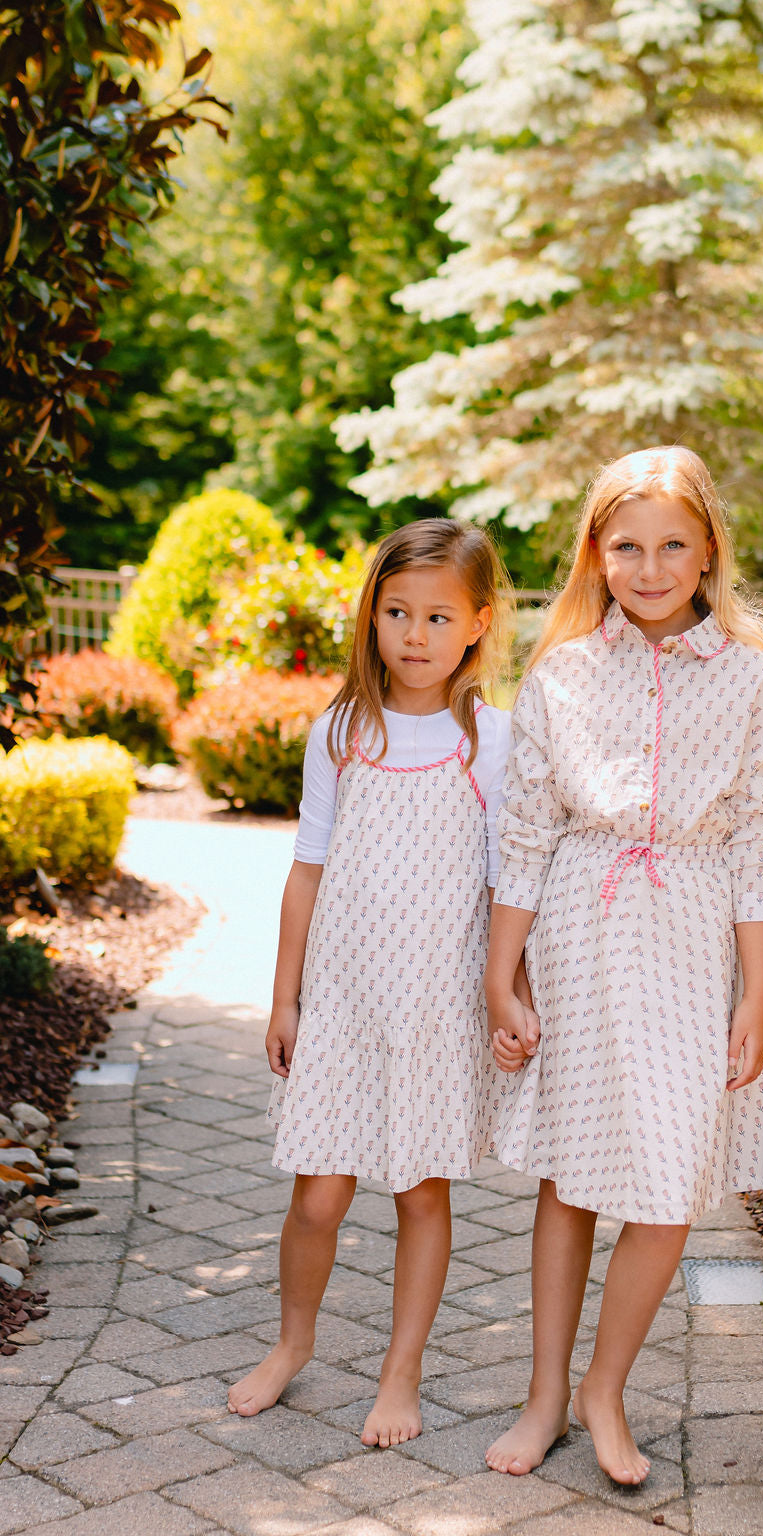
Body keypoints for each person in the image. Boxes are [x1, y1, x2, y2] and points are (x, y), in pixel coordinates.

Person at [484, 445, 763, 1485]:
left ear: (707, 551)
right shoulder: (562, 672)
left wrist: (756, 991)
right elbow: (523, 830)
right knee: (572, 1177)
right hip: (577, 928)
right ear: (595, 554)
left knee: (666, 1189)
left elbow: (756, 835)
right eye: (626, 546)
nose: (648, 567)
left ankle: (604, 1391)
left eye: (670, 545)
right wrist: (500, 973)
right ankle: (542, 1397)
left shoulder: (750, 677)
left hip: (692, 936)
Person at [228, 519, 514, 1446]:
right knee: (317, 1193)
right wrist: (285, 996)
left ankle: (401, 1374)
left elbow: (510, 880)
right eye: (398, 612)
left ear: (477, 624)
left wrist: (509, 990)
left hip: (434, 1011)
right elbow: (308, 867)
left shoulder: (491, 743)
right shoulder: (344, 731)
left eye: (438, 616)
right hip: (344, 1005)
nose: (415, 634)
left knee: (419, 1194)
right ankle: (293, 1344)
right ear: (373, 617)